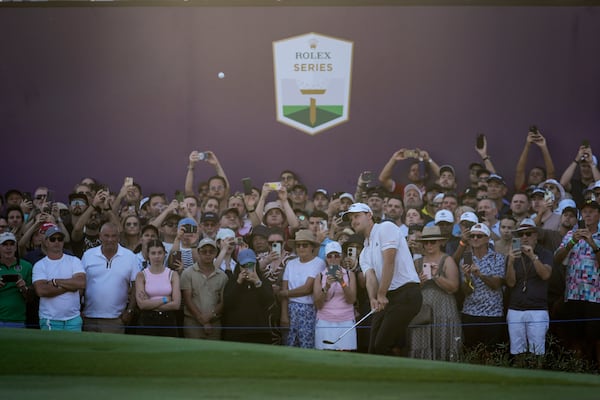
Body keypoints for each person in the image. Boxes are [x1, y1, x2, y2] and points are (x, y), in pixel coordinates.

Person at [343, 203, 422, 356]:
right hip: (388, 295)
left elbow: (389, 261)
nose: (353, 221)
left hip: (407, 294)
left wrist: (381, 294)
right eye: (351, 218)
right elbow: (370, 277)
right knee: (373, 348)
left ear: (369, 215)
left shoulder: (385, 228)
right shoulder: (365, 251)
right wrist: (373, 298)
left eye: (357, 216)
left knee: (382, 345)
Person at [554, 199, 600, 364]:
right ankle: (577, 370)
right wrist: (572, 242)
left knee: (595, 338)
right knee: (574, 338)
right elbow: (557, 259)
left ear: (599, 215)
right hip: (573, 294)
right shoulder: (571, 235)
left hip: (595, 296)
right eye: (585, 211)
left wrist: (592, 243)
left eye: (592, 211)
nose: (587, 214)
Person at [410, 226, 462, 361]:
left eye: (432, 242)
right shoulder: (417, 262)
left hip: (444, 308)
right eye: (425, 242)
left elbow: (454, 287)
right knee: (421, 341)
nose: (428, 245)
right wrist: (419, 283)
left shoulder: (447, 260)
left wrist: (436, 276)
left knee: (444, 341)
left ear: (440, 242)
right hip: (422, 310)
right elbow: (409, 291)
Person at [505, 219, 553, 360]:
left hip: (537, 309)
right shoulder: (513, 255)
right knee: (517, 352)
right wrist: (511, 263)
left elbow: (545, 275)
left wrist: (533, 257)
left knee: (537, 352)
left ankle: (538, 380)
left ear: (536, 236)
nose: (524, 237)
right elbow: (510, 283)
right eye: (521, 234)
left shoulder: (545, 253)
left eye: (528, 233)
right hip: (515, 308)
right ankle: (520, 380)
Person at [81, 222, 138, 334]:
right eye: (106, 236)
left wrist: (130, 311)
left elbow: (136, 286)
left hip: (116, 319)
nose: (110, 239)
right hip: (89, 317)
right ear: (100, 236)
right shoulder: (88, 255)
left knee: (113, 352)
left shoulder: (130, 256)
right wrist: (78, 310)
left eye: (113, 236)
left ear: (119, 237)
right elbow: (80, 284)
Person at [460, 223, 506, 351]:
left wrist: (479, 275)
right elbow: (466, 292)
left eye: (479, 236)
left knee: (491, 353)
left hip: (493, 313)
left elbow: (496, 285)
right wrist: (468, 278)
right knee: (471, 352)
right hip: (470, 312)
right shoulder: (465, 259)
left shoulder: (498, 258)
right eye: (472, 236)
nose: (475, 238)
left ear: (487, 238)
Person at [32, 226, 86, 331]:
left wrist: (55, 282)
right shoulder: (40, 265)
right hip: (50, 319)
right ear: (46, 242)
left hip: (73, 318)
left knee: (74, 348)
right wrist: (70, 286)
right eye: (53, 239)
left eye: (60, 239)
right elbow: (41, 291)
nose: (57, 242)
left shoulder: (74, 260)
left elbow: (81, 283)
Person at [279, 229, 325, 349]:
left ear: (312, 247)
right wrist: (284, 314)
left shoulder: (318, 263)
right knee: (289, 345)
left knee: (307, 346)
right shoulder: (290, 263)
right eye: (298, 245)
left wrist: (285, 293)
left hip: (308, 309)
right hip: (290, 309)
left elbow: (307, 288)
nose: (301, 248)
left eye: (305, 245)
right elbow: (285, 287)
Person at [180, 238, 228, 339]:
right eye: (204, 251)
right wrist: (202, 320)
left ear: (216, 253)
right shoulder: (188, 273)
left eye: (211, 251)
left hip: (214, 323)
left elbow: (223, 302)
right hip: (192, 323)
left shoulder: (222, 276)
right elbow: (187, 300)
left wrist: (209, 317)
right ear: (198, 252)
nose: (208, 254)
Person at [313, 241, 357, 351]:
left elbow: (351, 299)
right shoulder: (320, 276)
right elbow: (318, 304)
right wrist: (327, 286)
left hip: (346, 319)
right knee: (325, 356)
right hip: (325, 320)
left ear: (341, 257)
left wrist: (342, 282)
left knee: (346, 355)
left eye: (336, 256)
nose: (333, 259)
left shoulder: (349, 274)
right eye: (329, 256)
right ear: (326, 258)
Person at [222, 248, 273, 344]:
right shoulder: (232, 281)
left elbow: (269, 301)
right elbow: (227, 303)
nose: (247, 268)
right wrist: (238, 283)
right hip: (236, 332)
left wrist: (257, 282)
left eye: (250, 265)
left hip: (260, 332)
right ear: (239, 266)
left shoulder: (264, 281)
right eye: (244, 265)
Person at [135, 240, 180, 337]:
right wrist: (165, 299)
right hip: (147, 320)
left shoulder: (172, 274)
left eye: (160, 253)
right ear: (148, 255)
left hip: (168, 320)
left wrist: (150, 304)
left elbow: (176, 304)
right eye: (153, 253)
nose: (157, 256)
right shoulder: (141, 275)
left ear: (164, 254)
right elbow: (142, 305)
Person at [0, 232, 33, 328]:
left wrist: (23, 288)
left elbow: (31, 298)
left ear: (16, 247)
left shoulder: (27, 266)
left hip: (18, 319)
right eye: (4, 244)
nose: (8, 247)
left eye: (11, 244)